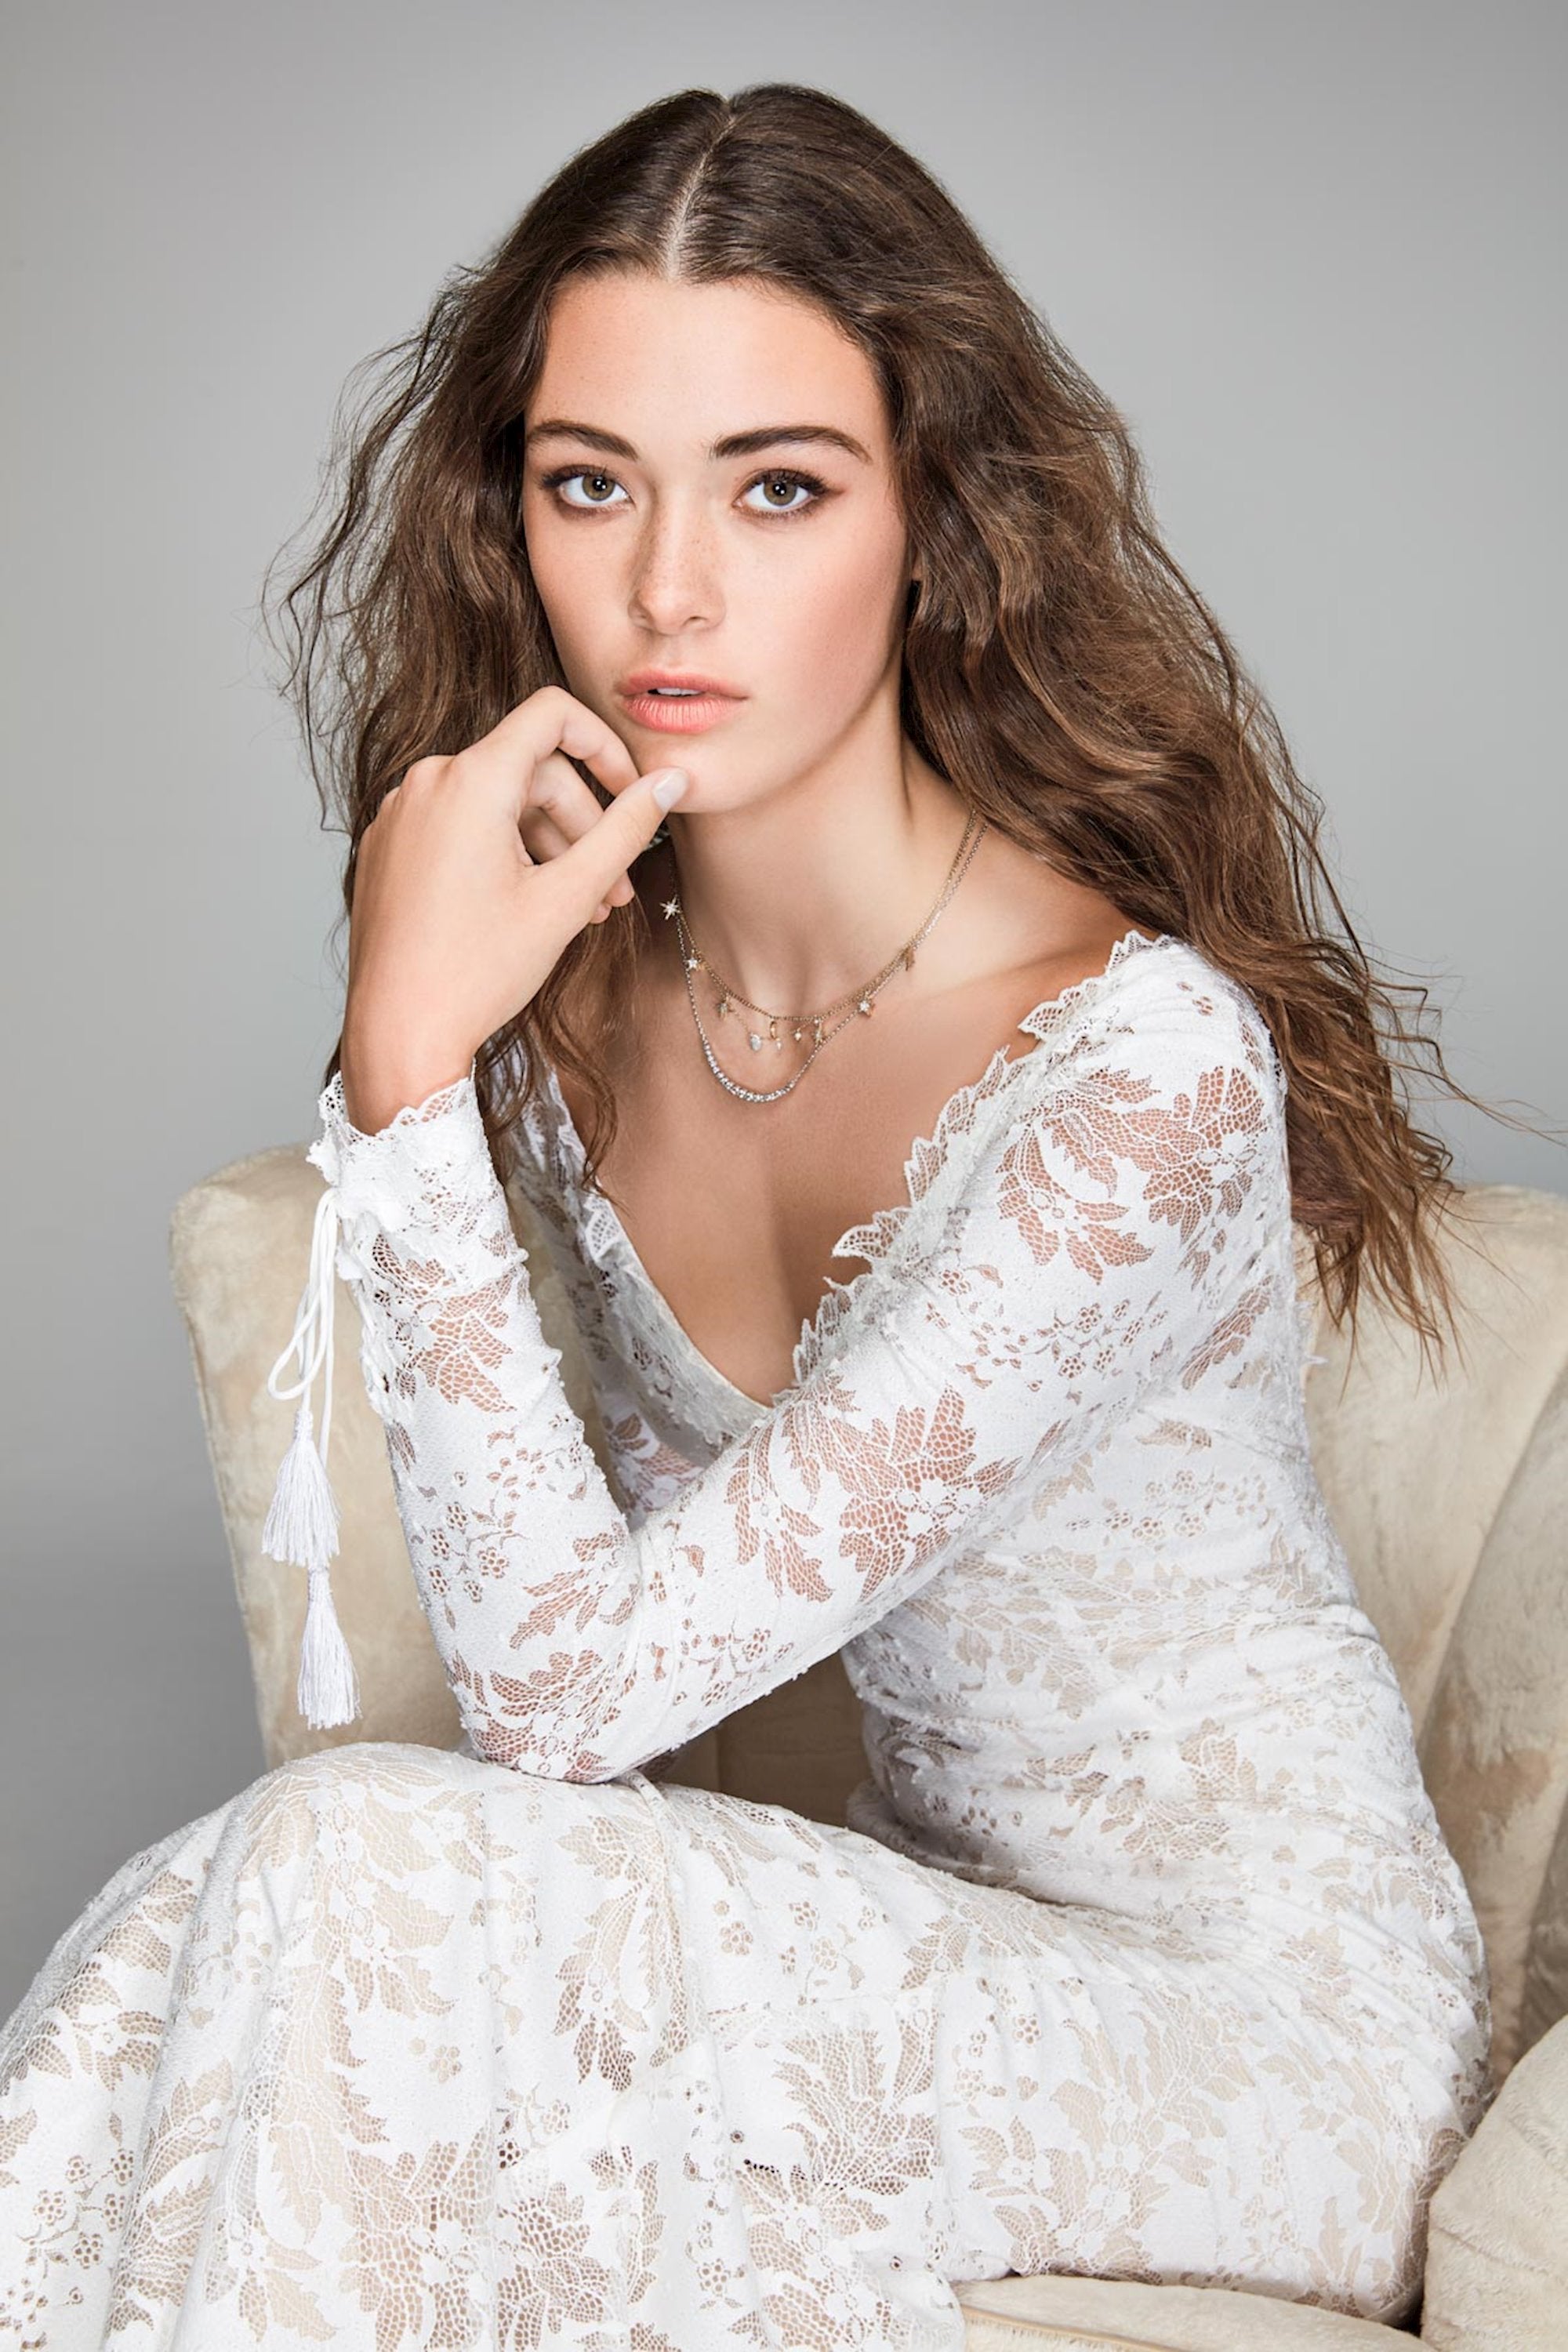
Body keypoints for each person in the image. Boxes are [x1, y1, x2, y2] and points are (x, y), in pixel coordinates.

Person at [0, 80, 1498, 2350]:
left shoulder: (1140, 1075)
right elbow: (543, 1663)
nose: (667, 594)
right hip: (944, 1943)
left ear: (937, 521)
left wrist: (398, 1084)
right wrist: (455, 1066)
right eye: (590, 482)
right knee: (195, 1924)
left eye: (778, 488)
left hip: (1260, 2046)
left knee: (349, 1864)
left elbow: (563, 1694)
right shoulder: (581, 1007)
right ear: (511, 516)